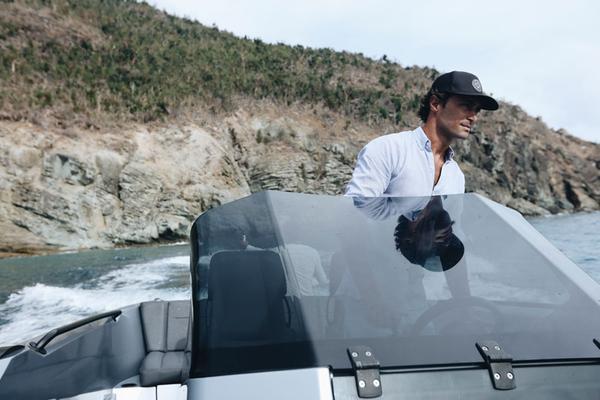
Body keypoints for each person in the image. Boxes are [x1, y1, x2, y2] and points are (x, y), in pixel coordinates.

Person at [345, 71, 499, 197]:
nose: (473, 117)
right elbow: (355, 211)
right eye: (466, 106)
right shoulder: (388, 149)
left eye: (476, 110)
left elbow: (451, 224)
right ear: (435, 104)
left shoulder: (456, 175)